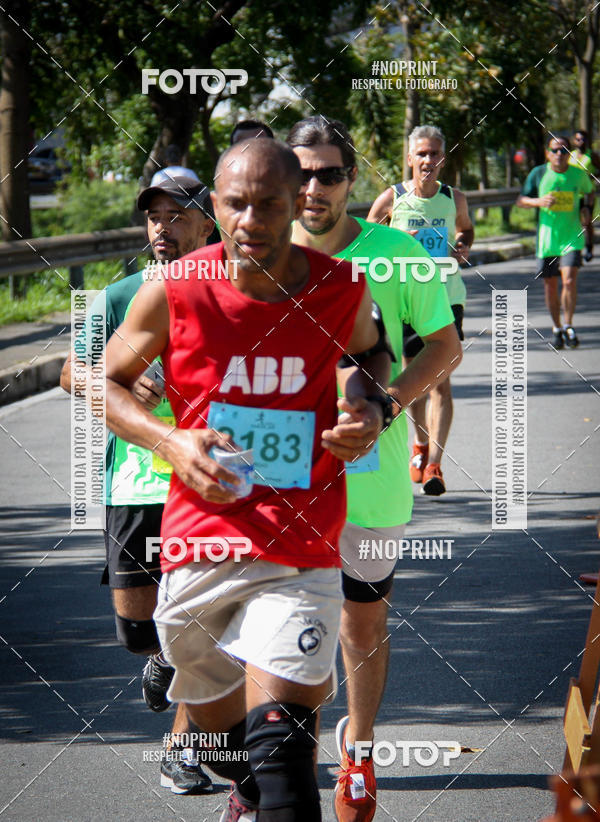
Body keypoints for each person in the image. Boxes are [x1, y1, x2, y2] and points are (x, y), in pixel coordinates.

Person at [101, 138, 392, 822]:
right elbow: (105, 384)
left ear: (299, 207)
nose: (251, 220)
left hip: (301, 549)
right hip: (199, 544)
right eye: (236, 204)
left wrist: (369, 406)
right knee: (231, 755)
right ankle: (245, 788)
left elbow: (372, 354)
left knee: (286, 768)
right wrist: (170, 438)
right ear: (215, 210)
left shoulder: (339, 287)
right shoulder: (172, 290)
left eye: (269, 204)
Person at [288, 116, 462, 822]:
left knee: (361, 626)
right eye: (300, 172)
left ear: (351, 181)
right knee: (286, 626)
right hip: (281, 483)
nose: (314, 187)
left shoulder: (393, 253)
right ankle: (278, 768)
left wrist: (389, 408)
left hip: (373, 479)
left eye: (329, 174)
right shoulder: (256, 254)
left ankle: (357, 751)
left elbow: (444, 347)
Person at [60, 174, 215, 795]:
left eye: (176, 216)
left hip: (205, 482)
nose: (162, 228)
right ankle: (157, 658)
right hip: (134, 481)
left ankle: (184, 748)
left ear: (208, 223)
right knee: (139, 630)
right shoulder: (121, 295)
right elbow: (73, 373)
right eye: (153, 217)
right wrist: (117, 384)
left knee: (199, 623)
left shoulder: (229, 286)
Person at [367, 124, 473, 496]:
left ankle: (435, 465)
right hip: (406, 300)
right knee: (417, 379)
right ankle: (420, 444)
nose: (428, 160)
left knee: (441, 381)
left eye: (435, 153)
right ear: (410, 158)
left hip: (446, 296)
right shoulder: (392, 198)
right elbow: (368, 240)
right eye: (422, 153)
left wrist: (462, 246)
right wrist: (397, 241)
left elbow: (467, 231)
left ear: (443, 159)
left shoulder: (454, 199)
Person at [517, 135, 594, 350]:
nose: (559, 154)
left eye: (563, 151)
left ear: (569, 154)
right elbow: (520, 200)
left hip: (572, 238)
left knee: (568, 280)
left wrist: (586, 209)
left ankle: (568, 324)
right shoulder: (539, 174)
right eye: (555, 150)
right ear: (547, 153)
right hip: (547, 241)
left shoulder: (578, 174)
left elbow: (589, 192)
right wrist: (538, 201)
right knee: (550, 287)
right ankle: (557, 327)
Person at [569, 129, 599, 261]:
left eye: (583, 139)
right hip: (573, 194)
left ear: (587, 141)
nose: (581, 142)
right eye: (578, 139)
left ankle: (589, 248)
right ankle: (574, 248)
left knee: (587, 222)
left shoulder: (591, 155)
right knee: (573, 221)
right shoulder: (570, 155)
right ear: (574, 141)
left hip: (588, 193)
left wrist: (590, 177)